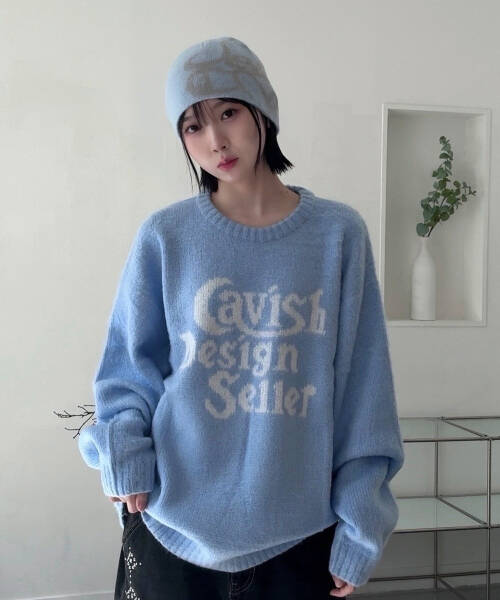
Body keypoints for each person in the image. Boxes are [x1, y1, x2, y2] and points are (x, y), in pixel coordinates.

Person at [78, 36, 405, 599]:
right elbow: (128, 371)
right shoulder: (166, 236)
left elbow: (363, 394)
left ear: (262, 111)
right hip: (168, 529)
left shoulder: (337, 235)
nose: (215, 140)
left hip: (299, 541)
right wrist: (125, 453)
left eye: (228, 112)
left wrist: (360, 528)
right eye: (193, 126)